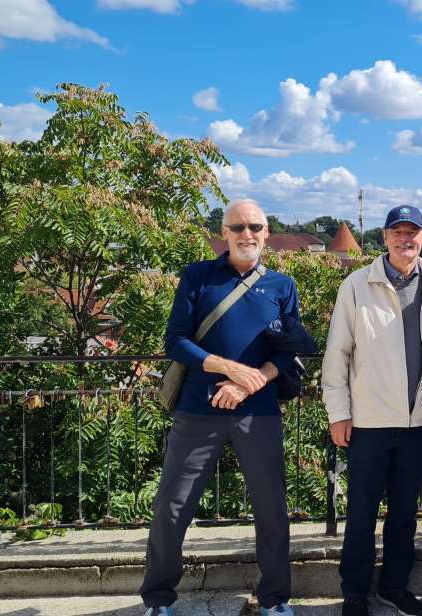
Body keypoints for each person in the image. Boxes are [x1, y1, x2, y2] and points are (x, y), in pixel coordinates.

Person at [142, 199, 301, 616]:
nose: (246, 234)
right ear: (224, 233)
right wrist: (227, 367)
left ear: (267, 232)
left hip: (258, 409)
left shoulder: (282, 286)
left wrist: (251, 381)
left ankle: (275, 599)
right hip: (198, 407)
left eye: (254, 227)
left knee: (271, 509)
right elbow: (175, 340)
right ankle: (158, 601)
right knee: (172, 507)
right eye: (238, 227)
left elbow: (288, 352)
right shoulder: (197, 276)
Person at [322, 205, 422, 616]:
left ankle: (394, 586)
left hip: (418, 421)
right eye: (397, 232)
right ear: (385, 238)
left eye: (412, 232)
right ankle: (355, 592)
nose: (405, 239)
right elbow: (336, 355)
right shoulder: (357, 285)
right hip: (370, 421)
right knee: (361, 513)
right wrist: (338, 413)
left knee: (403, 514)